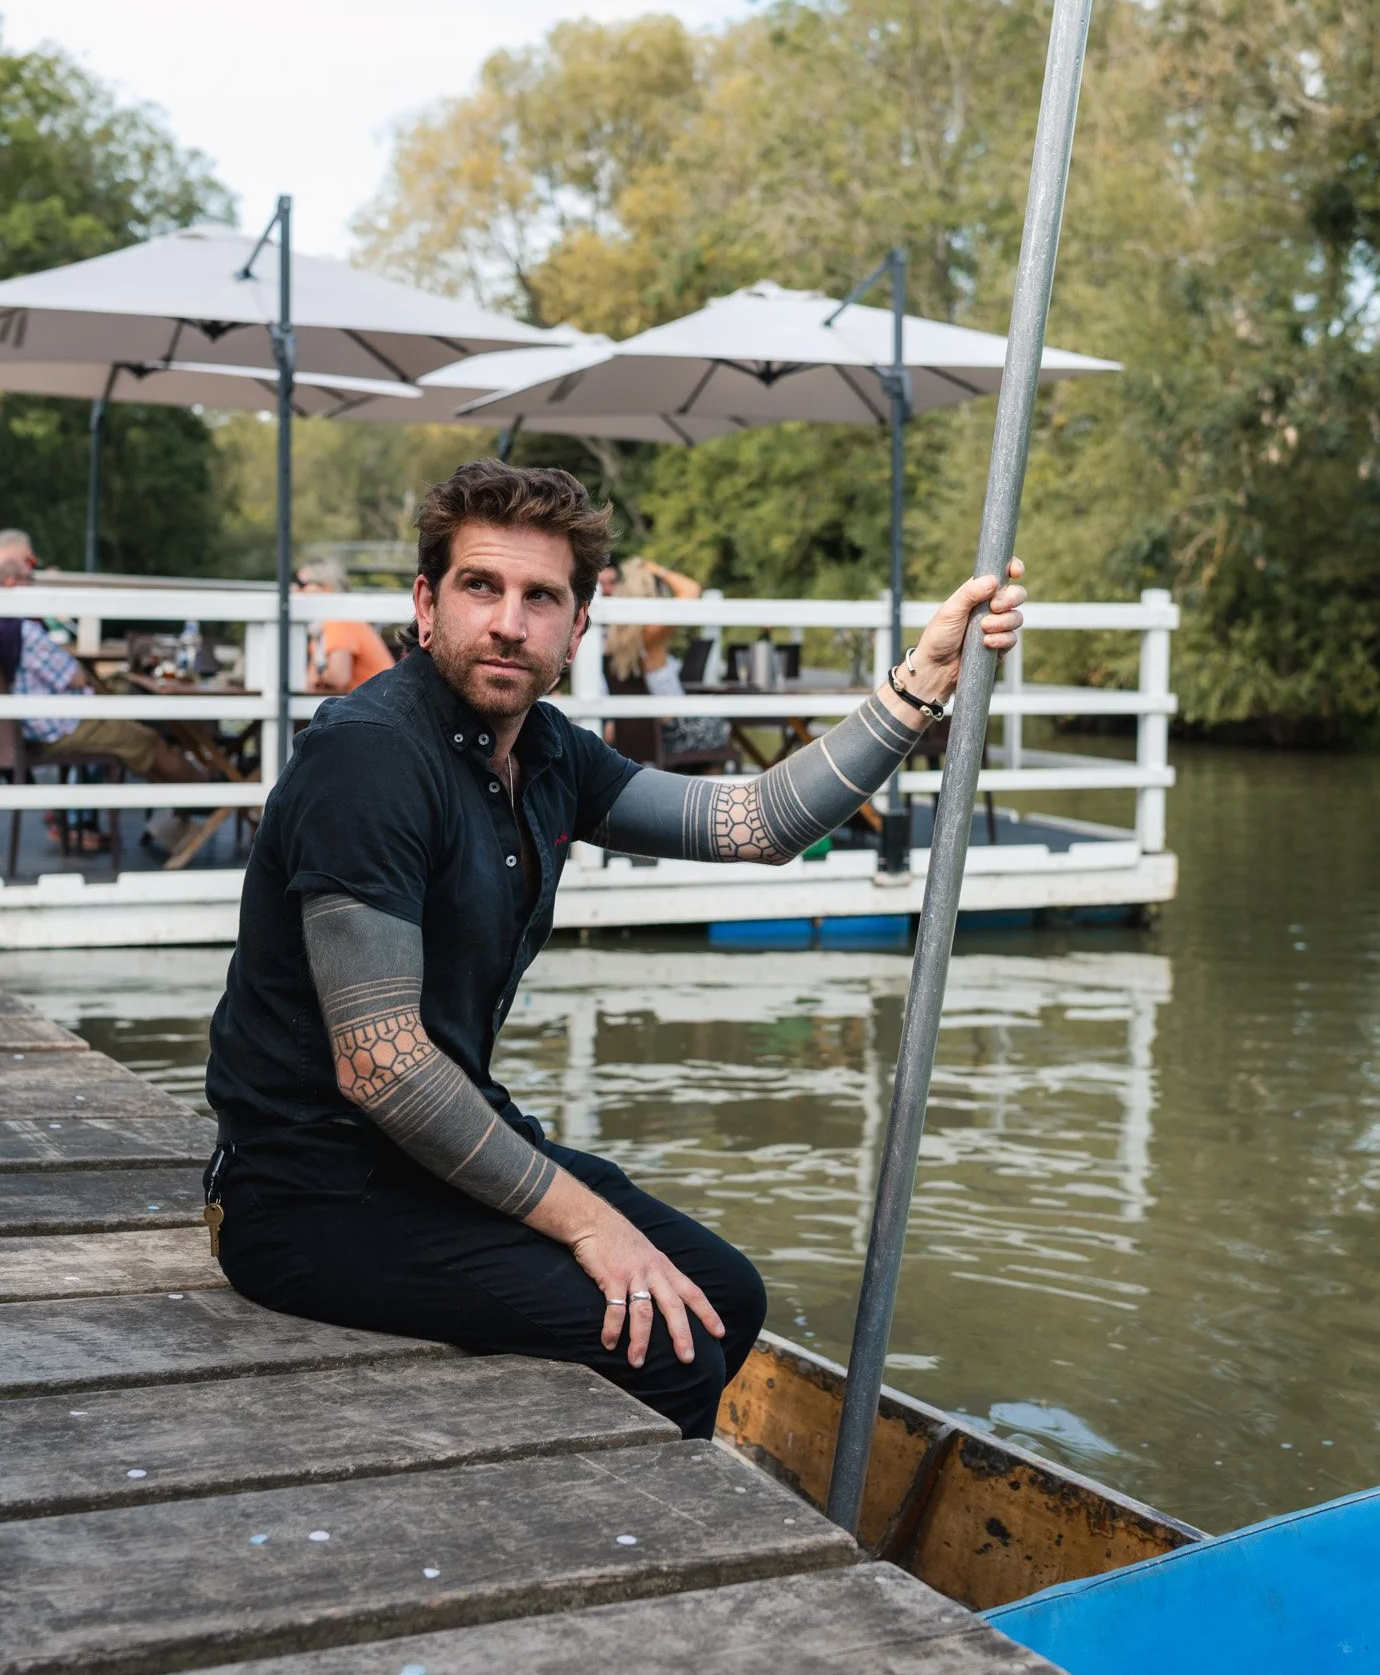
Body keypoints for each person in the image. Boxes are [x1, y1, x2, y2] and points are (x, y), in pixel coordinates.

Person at [204, 460, 1025, 1440]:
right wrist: (593, 1227)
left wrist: (919, 681)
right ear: (425, 607)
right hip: (308, 1197)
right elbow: (381, 1070)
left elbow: (755, 820)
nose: (509, 620)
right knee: (665, 1344)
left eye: (540, 597)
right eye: (480, 586)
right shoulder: (371, 755)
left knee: (724, 1296)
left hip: (421, 1170)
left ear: (576, 627)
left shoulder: (548, 752)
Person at [0, 530, 206, 855]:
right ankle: (216, 801)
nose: (33, 579)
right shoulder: (21, 631)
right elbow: (75, 678)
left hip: (10, 733)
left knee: (129, 736)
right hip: (54, 728)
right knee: (148, 742)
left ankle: (171, 814)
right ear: (13, 583)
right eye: (29, 572)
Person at [602, 555, 727, 765]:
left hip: (646, 735)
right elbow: (691, 591)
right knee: (720, 727)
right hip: (673, 730)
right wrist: (657, 569)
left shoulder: (614, 641)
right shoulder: (651, 635)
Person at [296, 560, 396, 696]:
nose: (295, 589)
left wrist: (320, 673)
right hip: (369, 702)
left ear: (326, 587)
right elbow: (312, 682)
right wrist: (322, 674)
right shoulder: (324, 625)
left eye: (302, 584)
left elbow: (338, 678)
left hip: (377, 705)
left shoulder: (339, 621)